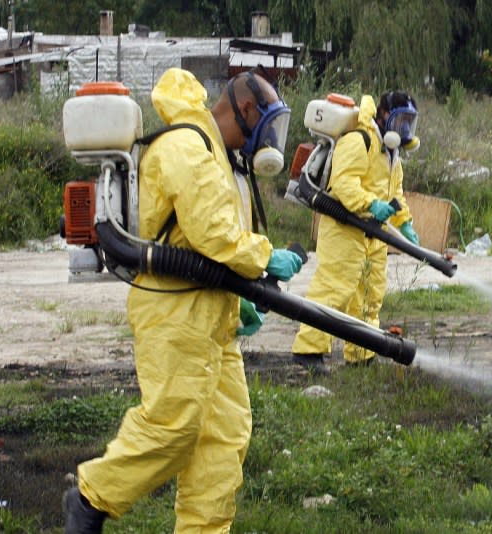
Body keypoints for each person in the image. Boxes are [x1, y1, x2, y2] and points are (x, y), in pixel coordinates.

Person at [63, 68, 303, 533]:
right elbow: (215, 235)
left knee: (224, 434)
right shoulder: (188, 147)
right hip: (175, 313)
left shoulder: (216, 152)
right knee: (173, 426)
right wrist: (265, 258)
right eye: (268, 123)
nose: (268, 138)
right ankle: (90, 498)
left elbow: (210, 240)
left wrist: (242, 297)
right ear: (247, 110)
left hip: (211, 316)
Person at [291, 91, 421, 373]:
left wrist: (404, 222)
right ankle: (309, 350)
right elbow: (343, 183)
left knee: (369, 293)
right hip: (344, 227)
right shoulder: (360, 140)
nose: (405, 129)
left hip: (373, 232)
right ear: (384, 115)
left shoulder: (391, 153)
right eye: (401, 120)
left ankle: (361, 353)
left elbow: (394, 192)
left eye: (410, 122)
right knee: (334, 288)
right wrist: (370, 204)